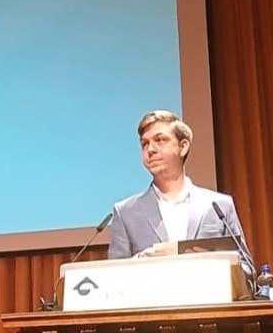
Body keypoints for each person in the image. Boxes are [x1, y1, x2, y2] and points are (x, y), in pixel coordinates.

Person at [108, 110, 256, 283]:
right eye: (144, 144)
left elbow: (248, 272)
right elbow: (112, 278)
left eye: (160, 140)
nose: (150, 150)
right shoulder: (126, 212)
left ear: (183, 146)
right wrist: (141, 262)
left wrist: (215, 264)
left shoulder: (218, 205)